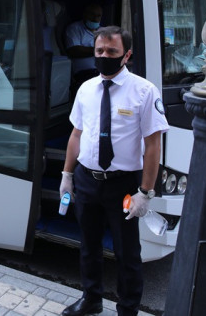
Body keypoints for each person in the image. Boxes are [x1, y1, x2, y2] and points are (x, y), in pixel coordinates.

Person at [59, 26, 169, 316]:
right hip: (87, 179)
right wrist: (67, 175)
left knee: (127, 253)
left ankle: (128, 310)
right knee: (89, 245)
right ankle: (91, 299)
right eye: (99, 51)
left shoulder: (144, 91)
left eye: (111, 52)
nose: (104, 56)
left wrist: (145, 192)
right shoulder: (86, 89)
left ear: (127, 55)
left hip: (123, 185)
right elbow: (76, 135)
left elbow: (153, 145)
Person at [65, 4, 103, 87]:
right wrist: (99, 51)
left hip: (103, 71)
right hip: (85, 73)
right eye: (92, 15)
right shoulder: (75, 28)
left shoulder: (104, 31)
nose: (95, 19)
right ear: (85, 15)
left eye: (98, 16)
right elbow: (74, 51)